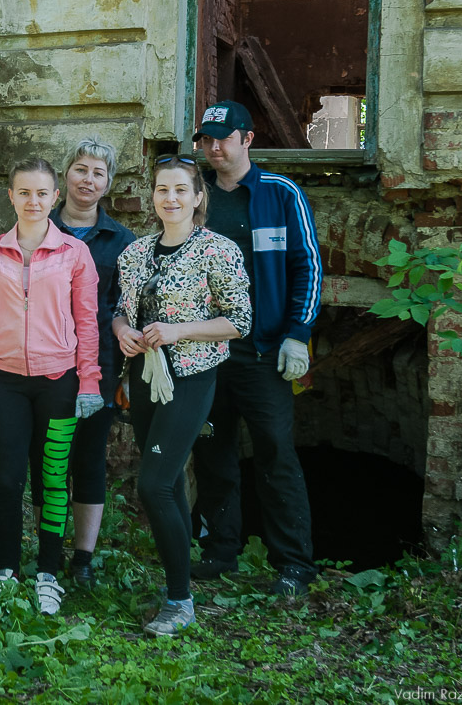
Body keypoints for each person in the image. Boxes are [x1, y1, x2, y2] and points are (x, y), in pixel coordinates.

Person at [189, 101, 323, 597]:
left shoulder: (279, 194)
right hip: (205, 350)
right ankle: (221, 553)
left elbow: (307, 265)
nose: (214, 147)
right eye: (206, 139)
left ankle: (294, 565)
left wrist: (298, 332)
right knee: (213, 453)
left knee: (274, 454)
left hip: (263, 352)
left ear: (248, 139)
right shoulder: (197, 196)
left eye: (224, 138)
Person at [113, 156, 250, 635]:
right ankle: (176, 586)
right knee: (166, 484)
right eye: (161, 189)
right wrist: (122, 332)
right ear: (152, 196)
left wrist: (177, 331)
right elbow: (120, 310)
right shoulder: (135, 253)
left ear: (197, 197)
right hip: (145, 377)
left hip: (190, 378)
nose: (169, 197)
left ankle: (180, 600)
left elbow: (239, 321)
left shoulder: (218, 250)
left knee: (151, 484)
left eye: (179, 189)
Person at [0, 158, 103, 615]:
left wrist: (89, 383)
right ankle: (6, 569)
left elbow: (87, 322)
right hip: (5, 384)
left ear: (55, 197)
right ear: (11, 196)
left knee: (52, 479)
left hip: (59, 383)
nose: (33, 201)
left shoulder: (73, 254)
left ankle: (48, 571)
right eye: (24, 193)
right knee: (7, 478)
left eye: (42, 193)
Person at [31, 137, 134, 586]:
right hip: (41, 364)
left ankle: (83, 559)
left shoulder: (122, 241)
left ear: (108, 183)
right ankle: (45, 550)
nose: (87, 179)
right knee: (45, 461)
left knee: (89, 460)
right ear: (64, 176)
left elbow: (126, 307)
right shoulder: (35, 227)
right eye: (80, 169)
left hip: (99, 365)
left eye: (98, 173)